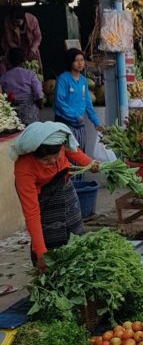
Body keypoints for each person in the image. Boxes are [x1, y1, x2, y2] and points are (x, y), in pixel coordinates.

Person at [10, 122, 99, 271]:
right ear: (34, 154)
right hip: (43, 199)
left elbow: (74, 151)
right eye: (45, 160)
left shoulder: (58, 143)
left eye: (55, 157)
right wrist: (41, 254)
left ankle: (78, 268)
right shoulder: (24, 169)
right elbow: (31, 212)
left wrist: (90, 164)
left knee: (75, 231)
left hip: (65, 188)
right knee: (50, 236)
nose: (52, 162)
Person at [53, 48, 100, 151]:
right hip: (65, 123)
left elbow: (88, 103)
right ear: (70, 62)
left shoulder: (83, 80)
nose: (80, 63)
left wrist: (96, 123)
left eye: (82, 60)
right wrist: (75, 115)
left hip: (79, 125)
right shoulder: (63, 79)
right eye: (76, 60)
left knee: (80, 154)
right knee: (68, 155)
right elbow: (59, 102)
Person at [0, 47, 43, 125]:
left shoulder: (4, 77)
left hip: (12, 113)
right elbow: (38, 94)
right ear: (24, 61)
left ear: (9, 61)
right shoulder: (30, 74)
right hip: (29, 112)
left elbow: (2, 96)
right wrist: (39, 106)